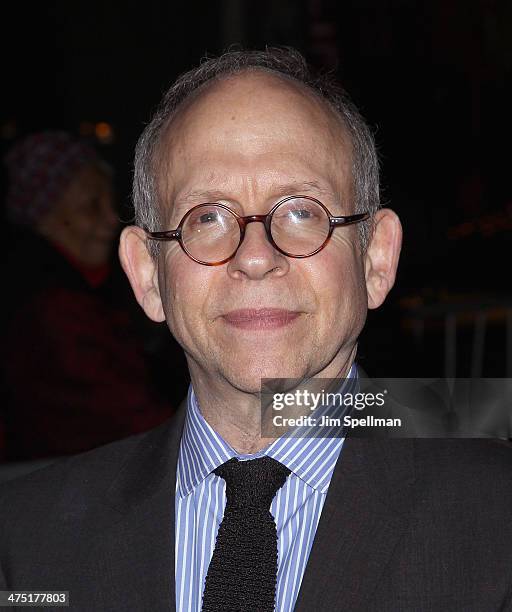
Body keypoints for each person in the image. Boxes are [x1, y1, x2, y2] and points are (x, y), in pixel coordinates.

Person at [0, 49, 511, 611]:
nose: (255, 256)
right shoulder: (23, 548)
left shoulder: (496, 522)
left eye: (301, 211)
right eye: (208, 217)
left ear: (376, 260)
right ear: (147, 274)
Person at [2, 132, 173, 460]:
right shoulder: (55, 312)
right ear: (44, 218)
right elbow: (133, 419)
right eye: (90, 207)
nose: (111, 220)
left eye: (109, 201)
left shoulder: (84, 292)